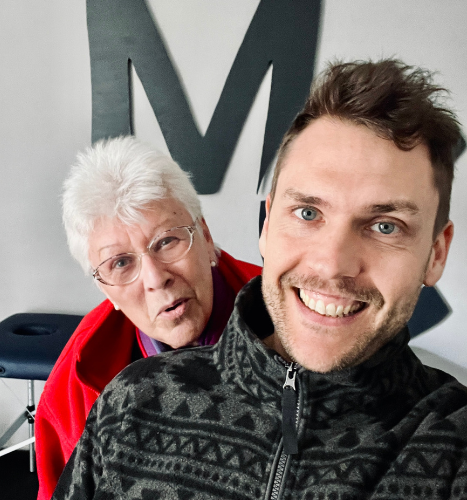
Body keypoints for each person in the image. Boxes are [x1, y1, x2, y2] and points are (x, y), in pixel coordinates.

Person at [52, 60, 467, 500]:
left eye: (386, 226)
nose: (331, 265)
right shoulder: (127, 405)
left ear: (436, 254)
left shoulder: (453, 445)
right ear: (267, 224)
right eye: (308, 213)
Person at [35, 137, 260, 500]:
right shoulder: (72, 386)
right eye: (121, 263)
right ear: (106, 290)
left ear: (205, 237)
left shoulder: (291, 313)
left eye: (167, 242)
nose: (156, 279)